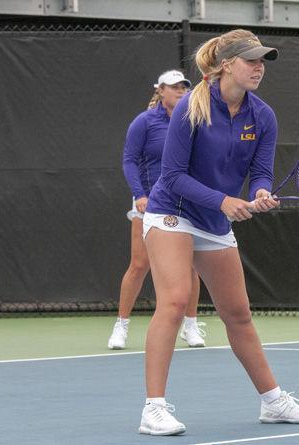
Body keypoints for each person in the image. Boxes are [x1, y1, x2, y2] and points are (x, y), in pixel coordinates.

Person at [138, 29, 299, 436]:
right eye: (251, 60)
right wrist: (223, 201)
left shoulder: (263, 116)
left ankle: (273, 402)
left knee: (238, 314)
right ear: (227, 65)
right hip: (173, 212)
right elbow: (171, 176)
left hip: (213, 222)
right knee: (175, 301)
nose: (259, 67)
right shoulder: (191, 107)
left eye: (263, 61)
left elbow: (260, 170)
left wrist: (259, 192)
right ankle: (153, 409)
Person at [107, 70, 207, 350]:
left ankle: (190, 325)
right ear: (160, 90)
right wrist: (139, 194)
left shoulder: (193, 121)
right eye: (174, 87)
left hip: (185, 202)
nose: (180, 91)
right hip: (149, 202)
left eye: (184, 87)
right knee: (140, 264)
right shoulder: (144, 122)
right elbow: (129, 160)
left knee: (190, 266)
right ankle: (121, 325)